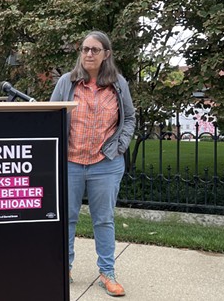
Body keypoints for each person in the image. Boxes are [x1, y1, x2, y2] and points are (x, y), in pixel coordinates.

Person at [50, 31, 135, 297]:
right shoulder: (68, 82)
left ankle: (107, 273)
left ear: (106, 54)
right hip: (69, 162)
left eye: (95, 50)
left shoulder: (118, 84)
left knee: (104, 220)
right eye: (85, 49)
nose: (88, 54)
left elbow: (129, 118)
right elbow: (51, 115)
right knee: (67, 219)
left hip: (105, 164)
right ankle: (64, 268)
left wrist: (119, 147)